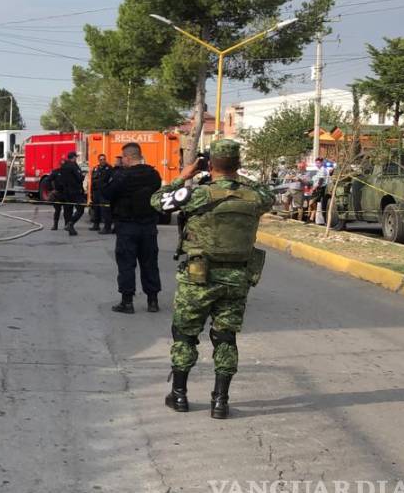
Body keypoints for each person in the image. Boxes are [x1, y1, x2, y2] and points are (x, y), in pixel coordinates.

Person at [151, 139, 275, 419]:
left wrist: (184, 176)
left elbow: (158, 201)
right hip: (237, 276)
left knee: (185, 333)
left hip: (198, 276)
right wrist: (236, 176)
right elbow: (267, 193)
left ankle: (179, 395)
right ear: (239, 164)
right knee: (226, 337)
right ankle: (220, 401)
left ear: (209, 164)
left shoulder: (196, 195)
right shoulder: (256, 197)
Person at [100, 142, 162, 314]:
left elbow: (106, 193)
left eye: (123, 158)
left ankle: (127, 302)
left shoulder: (121, 176)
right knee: (150, 262)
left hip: (127, 226)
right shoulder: (153, 174)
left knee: (126, 263)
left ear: (127, 157)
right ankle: (153, 301)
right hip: (148, 225)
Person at [56, 151, 87, 235]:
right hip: (75, 191)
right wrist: (83, 176)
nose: (76, 159)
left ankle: (69, 227)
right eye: (76, 157)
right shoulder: (73, 165)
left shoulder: (63, 166)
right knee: (80, 209)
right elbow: (79, 177)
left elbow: (60, 179)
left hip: (66, 192)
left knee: (68, 210)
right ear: (73, 158)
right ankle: (70, 224)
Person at [88, 154, 114, 232]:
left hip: (104, 192)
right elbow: (92, 181)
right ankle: (96, 225)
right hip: (96, 192)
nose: (102, 161)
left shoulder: (109, 168)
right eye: (101, 159)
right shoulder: (96, 168)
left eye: (104, 159)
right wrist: (91, 194)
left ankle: (107, 227)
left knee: (105, 211)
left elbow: (109, 180)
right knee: (96, 209)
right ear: (98, 160)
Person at [48, 166, 65, 231]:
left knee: (67, 211)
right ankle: (55, 225)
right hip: (57, 193)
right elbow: (48, 180)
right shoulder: (55, 172)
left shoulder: (68, 171)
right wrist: (51, 190)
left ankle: (67, 225)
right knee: (57, 210)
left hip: (66, 193)